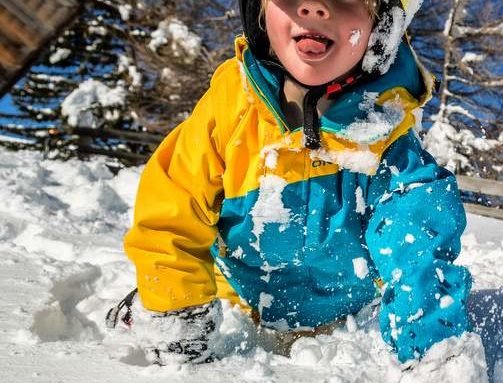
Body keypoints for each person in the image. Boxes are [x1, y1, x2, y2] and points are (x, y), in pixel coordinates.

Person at [106, 0, 473, 367]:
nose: (314, 7)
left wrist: (431, 350)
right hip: (237, 303)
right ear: (260, 12)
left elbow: (419, 243)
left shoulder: (385, 133)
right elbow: (172, 206)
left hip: (346, 317)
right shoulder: (232, 108)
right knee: (166, 292)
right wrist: (177, 315)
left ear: (383, 28)